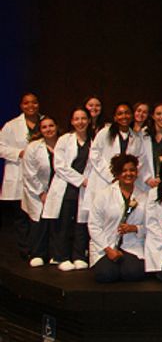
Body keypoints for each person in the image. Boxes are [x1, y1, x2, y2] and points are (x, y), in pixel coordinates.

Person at [88, 154, 147, 283]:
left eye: (132, 170)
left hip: (131, 245)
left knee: (134, 274)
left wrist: (135, 228)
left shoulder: (143, 196)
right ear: (117, 173)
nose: (128, 174)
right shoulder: (103, 195)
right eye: (124, 171)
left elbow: (150, 225)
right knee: (106, 275)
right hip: (107, 245)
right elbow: (93, 225)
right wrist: (108, 250)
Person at [50, 108, 92, 270]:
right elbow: (59, 166)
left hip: (86, 188)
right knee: (65, 222)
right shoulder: (64, 140)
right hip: (67, 187)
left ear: (88, 121)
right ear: (72, 122)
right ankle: (62, 256)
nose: (80, 122)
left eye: (83, 118)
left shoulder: (93, 141)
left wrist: (87, 182)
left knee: (82, 223)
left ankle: (79, 255)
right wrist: (81, 180)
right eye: (77, 119)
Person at [20, 116, 58, 267]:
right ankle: (37, 254)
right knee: (40, 223)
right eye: (44, 127)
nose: (48, 129)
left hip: (57, 190)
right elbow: (29, 173)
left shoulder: (64, 144)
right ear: (40, 130)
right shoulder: (34, 147)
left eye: (51, 126)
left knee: (57, 224)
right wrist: (41, 193)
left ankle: (55, 254)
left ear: (56, 127)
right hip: (37, 191)